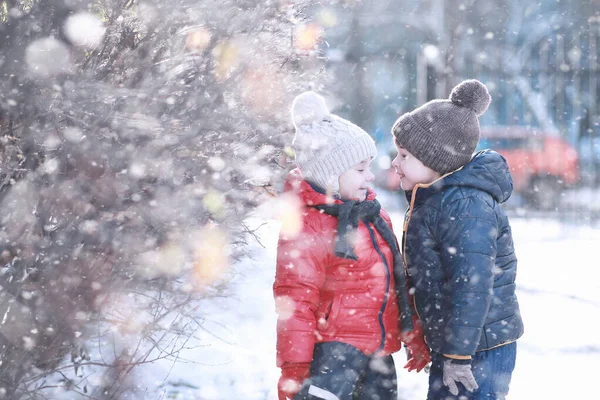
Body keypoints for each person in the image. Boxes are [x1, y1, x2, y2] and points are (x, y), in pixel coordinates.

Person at [273, 91, 430, 400]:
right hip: (333, 357)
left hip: (379, 355)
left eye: (369, 166)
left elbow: (397, 282)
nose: (370, 176)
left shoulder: (373, 213)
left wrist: (413, 335)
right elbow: (295, 302)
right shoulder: (308, 226)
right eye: (360, 169)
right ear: (331, 176)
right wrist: (294, 369)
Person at [390, 79, 525, 399]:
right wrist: (427, 334)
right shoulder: (434, 199)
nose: (395, 163)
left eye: (404, 155)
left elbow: (473, 286)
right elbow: (428, 279)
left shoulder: (465, 205)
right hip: (460, 344)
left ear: (435, 160)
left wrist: (458, 356)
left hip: (479, 349)